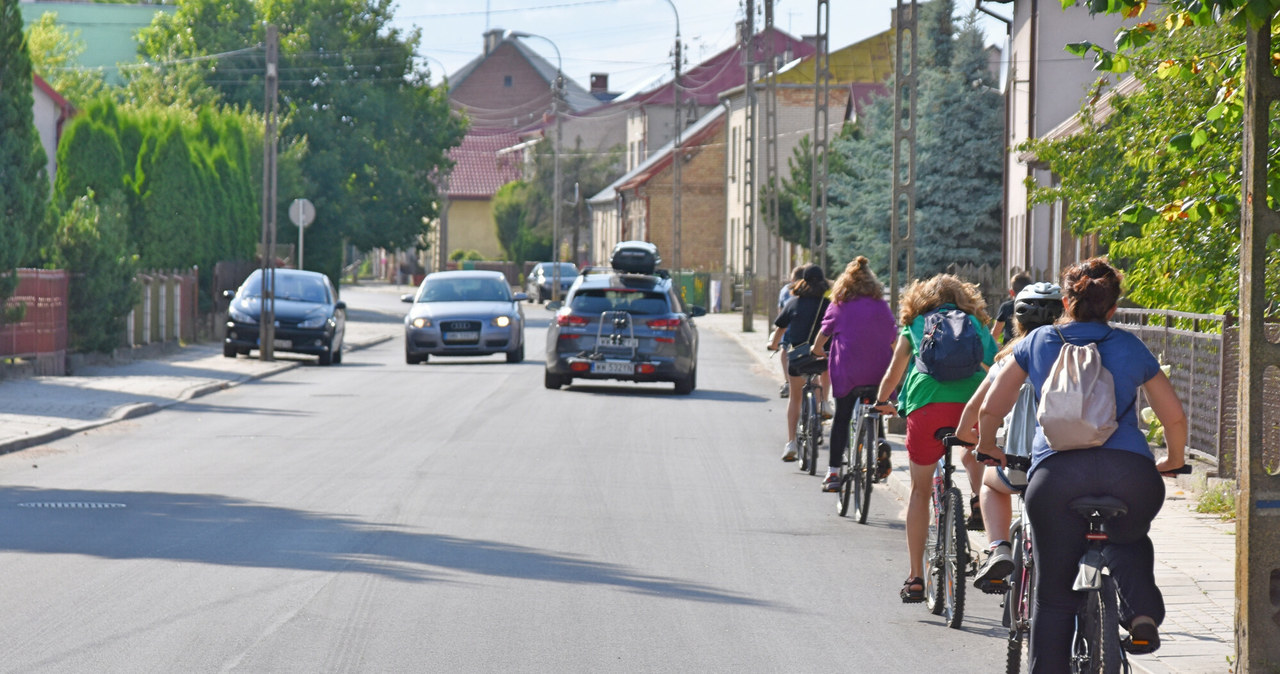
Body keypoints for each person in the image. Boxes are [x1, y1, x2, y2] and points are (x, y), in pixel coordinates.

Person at [975, 258, 1186, 669]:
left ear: (1066, 302)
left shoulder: (1035, 343)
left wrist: (988, 447)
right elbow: (1173, 416)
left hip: (1056, 478)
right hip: (1130, 475)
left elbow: (990, 408)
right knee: (1128, 538)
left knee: (1054, 599)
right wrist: (1172, 459)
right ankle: (1141, 614)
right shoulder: (1129, 345)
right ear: (1112, 308)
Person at [871, 273, 998, 603]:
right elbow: (995, 367)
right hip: (971, 406)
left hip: (926, 408)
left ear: (921, 298)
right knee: (974, 451)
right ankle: (975, 499)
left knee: (919, 490)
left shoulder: (915, 324)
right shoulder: (975, 324)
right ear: (964, 297)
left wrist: (882, 400)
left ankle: (915, 578)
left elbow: (893, 373)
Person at [953, 281, 1063, 592]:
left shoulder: (1008, 359)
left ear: (1017, 322)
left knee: (990, 481)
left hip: (1019, 464)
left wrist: (968, 438)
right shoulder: (1074, 355)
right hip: (1067, 463)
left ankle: (998, 547)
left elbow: (978, 408)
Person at [810, 257, 896, 492]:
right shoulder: (881, 305)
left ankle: (833, 474)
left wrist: (816, 350)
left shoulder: (839, 304)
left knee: (842, 417)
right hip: (878, 372)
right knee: (876, 407)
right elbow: (894, 338)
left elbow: (823, 336)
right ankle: (879, 444)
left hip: (849, 372)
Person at [767, 264, 831, 462]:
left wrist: (772, 344)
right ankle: (824, 403)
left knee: (795, 397)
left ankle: (791, 442)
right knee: (823, 369)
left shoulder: (793, 303)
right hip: (820, 358)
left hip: (798, 359)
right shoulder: (829, 304)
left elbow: (779, 332)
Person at [776, 265, 805, 399]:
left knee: (784, 350)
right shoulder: (816, 292)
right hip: (810, 333)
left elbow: (781, 313)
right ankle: (821, 405)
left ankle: (787, 381)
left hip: (789, 329)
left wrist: (774, 341)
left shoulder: (785, 290)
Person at [991, 271, 1032, 345]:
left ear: (1011, 292)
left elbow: (995, 333)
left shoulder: (1006, 307)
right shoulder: (1033, 306)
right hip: (1027, 346)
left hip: (1009, 348)